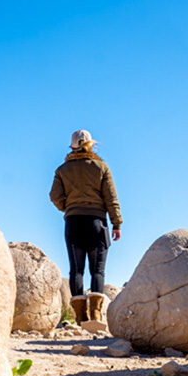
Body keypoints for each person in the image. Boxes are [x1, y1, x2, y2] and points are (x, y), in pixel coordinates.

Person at [49, 129, 122, 324]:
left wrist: (69, 207)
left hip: (73, 223)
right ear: (92, 145)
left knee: (76, 269)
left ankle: (81, 317)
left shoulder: (62, 170)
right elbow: (111, 198)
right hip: (97, 223)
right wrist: (116, 223)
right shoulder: (102, 167)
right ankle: (96, 316)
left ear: (72, 147)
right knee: (97, 269)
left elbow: (54, 196)